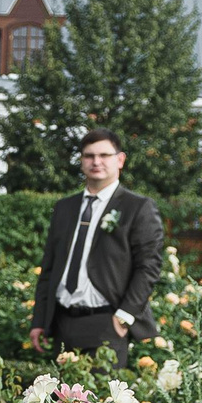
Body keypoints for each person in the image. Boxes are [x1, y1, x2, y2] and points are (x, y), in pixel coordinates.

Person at [26, 128, 164, 363]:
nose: (96, 161)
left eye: (104, 155)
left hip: (106, 324)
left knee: (102, 389)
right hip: (61, 323)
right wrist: (39, 320)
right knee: (61, 388)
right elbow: (49, 267)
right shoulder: (64, 207)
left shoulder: (138, 208)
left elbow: (149, 267)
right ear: (81, 161)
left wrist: (124, 316)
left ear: (120, 160)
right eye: (89, 156)